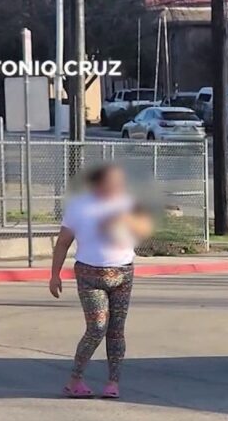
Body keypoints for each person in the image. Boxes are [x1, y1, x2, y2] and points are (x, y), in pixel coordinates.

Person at [49, 164, 153, 399]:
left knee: (116, 331)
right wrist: (55, 275)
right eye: (111, 181)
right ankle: (75, 380)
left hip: (123, 273)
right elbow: (63, 242)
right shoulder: (79, 206)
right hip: (90, 275)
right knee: (97, 327)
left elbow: (143, 230)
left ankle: (113, 383)